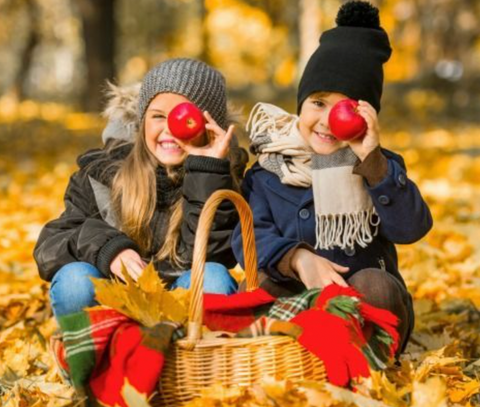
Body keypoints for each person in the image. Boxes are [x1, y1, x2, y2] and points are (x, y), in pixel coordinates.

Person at [231, 1, 433, 353]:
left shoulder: (377, 165)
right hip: (297, 292)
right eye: (318, 103)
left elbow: (411, 228)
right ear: (301, 104)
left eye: (345, 108)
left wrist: (372, 161)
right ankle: (297, 360)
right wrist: (296, 258)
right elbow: (247, 237)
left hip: (365, 303)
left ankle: (367, 363)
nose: (327, 121)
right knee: (264, 295)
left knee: (376, 286)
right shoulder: (267, 171)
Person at [34, 58, 248, 318]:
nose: (170, 129)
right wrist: (109, 249)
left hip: (178, 303)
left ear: (209, 125)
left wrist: (206, 170)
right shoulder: (103, 171)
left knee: (213, 277)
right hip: (114, 293)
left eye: (184, 117)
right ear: (142, 120)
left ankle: (191, 357)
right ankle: (89, 354)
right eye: (158, 116)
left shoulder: (222, 177)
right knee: (74, 281)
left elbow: (210, 256)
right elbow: (52, 243)